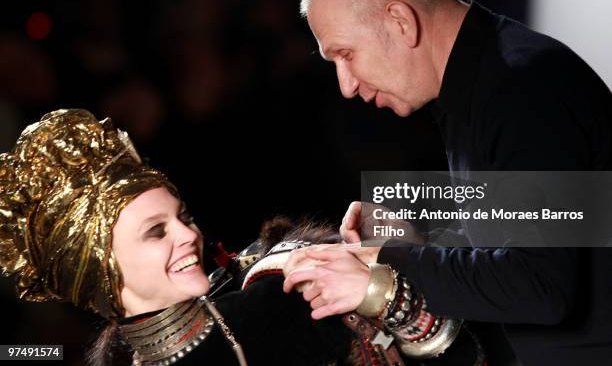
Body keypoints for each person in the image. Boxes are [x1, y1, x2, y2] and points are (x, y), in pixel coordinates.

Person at [283, 0, 612, 366]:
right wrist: (416, 237)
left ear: (401, 21)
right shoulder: (483, 83)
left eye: (345, 54)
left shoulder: (520, 87)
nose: (346, 86)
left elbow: (539, 284)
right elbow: (522, 230)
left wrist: (381, 264)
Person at [0, 109, 485, 366]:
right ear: (102, 269)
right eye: (155, 232)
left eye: (182, 216)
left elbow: (456, 345)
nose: (188, 236)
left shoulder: (279, 294)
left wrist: (384, 284)